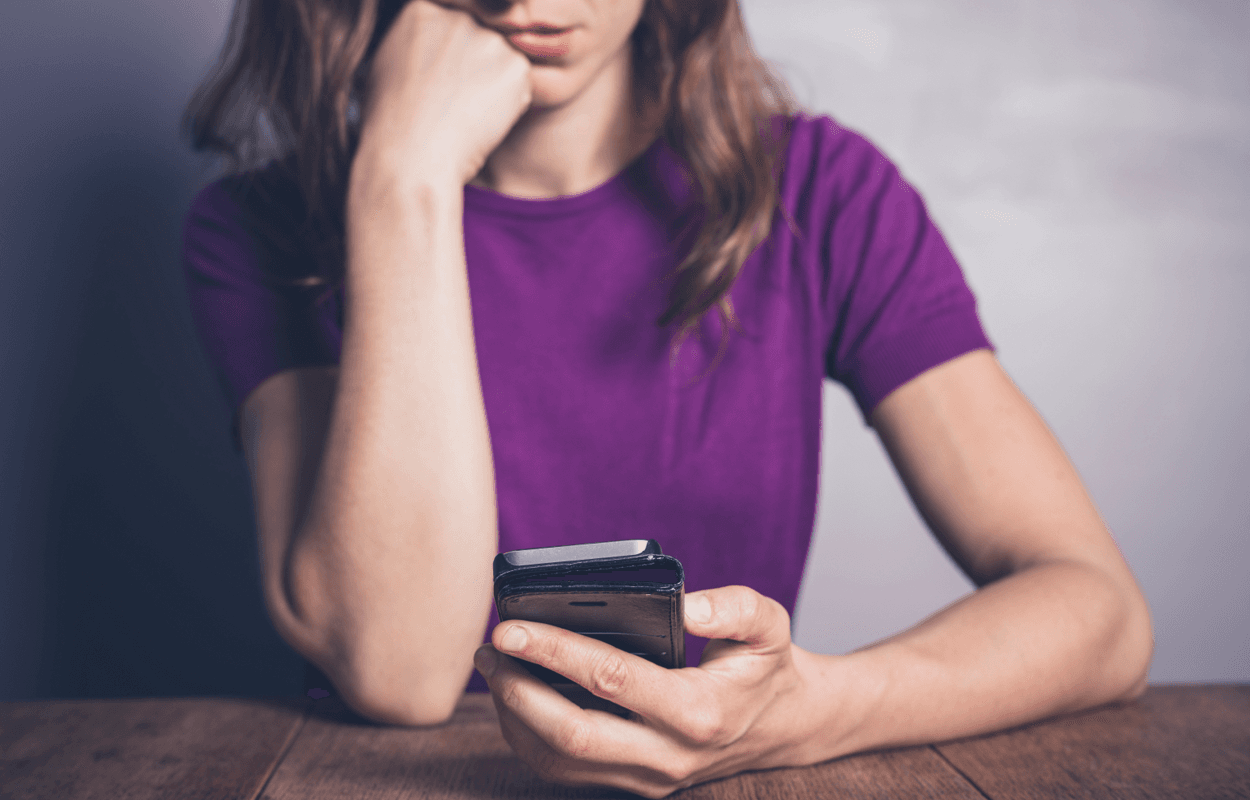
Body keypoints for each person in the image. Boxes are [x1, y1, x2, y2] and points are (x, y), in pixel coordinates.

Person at [181, 0, 1153, 795]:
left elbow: (1099, 613)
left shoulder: (822, 192)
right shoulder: (258, 229)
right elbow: (398, 671)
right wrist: (404, 180)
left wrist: (813, 708)